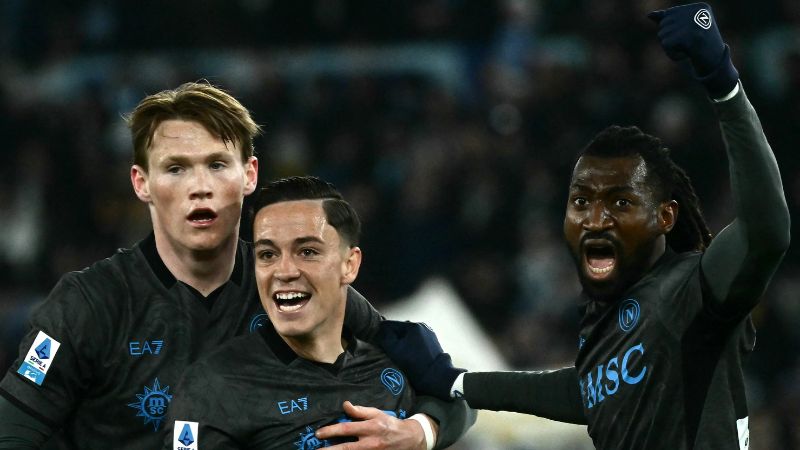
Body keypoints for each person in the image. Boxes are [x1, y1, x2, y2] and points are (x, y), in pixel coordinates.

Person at [376, 3, 791, 449]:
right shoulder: (606, 324)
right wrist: (455, 380)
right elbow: (580, 391)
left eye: (620, 202)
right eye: (581, 202)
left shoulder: (694, 288)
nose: (595, 218)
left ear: (664, 218)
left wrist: (725, 87)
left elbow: (766, 230)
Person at [0, 82, 470, 449]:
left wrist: (421, 432)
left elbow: (452, 390)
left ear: (249, 176)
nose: (200, 186)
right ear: (142, 183)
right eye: (176, 168)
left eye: (217, 165)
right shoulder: (90, 305)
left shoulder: (302, 288)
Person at [162, 176, 472, 450]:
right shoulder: (213, 386)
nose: (284, 271)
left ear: (349, 265)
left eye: (307, 251)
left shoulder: (390, 361)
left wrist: (420, 433)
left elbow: (462, 400)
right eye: (268, 254)